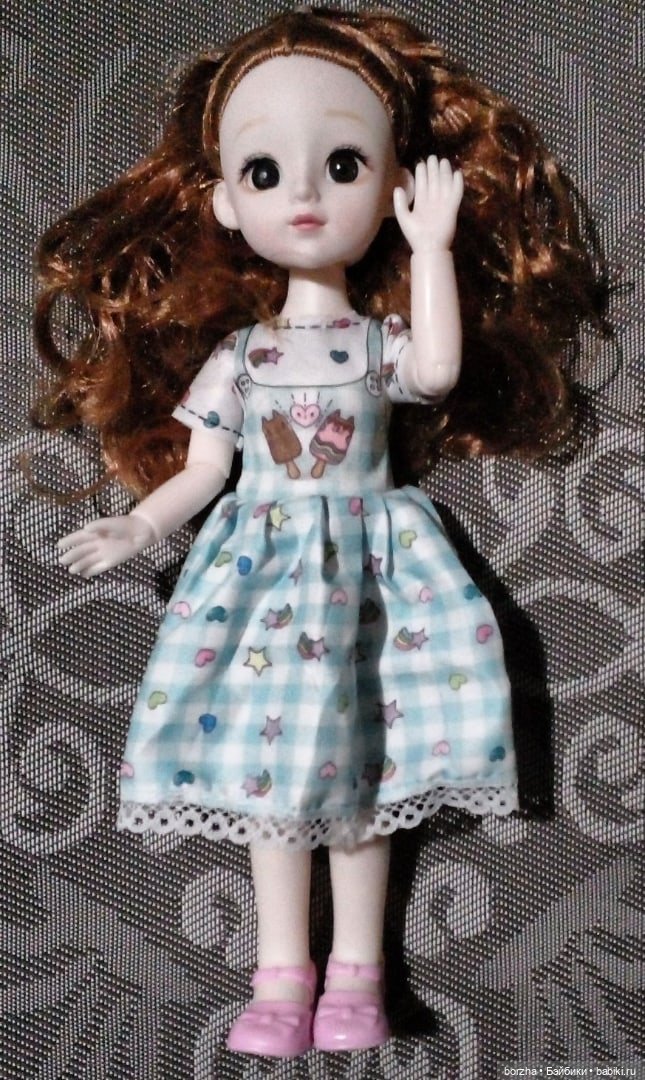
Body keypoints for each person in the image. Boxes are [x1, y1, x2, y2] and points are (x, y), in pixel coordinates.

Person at [35, 8, 600, 1058]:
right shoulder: (244, 357)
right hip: (260, 578)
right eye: (264, 171)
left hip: (376, 572)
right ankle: (278, 973)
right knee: (269, 782)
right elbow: (207, 467)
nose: (302, 193)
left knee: (364, 780)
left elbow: (436, 371)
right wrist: (140, 526)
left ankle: (358, 977)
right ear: (223, 199)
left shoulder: (379, 341)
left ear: (388, 188)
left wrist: (430, 249)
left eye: (342, 164)